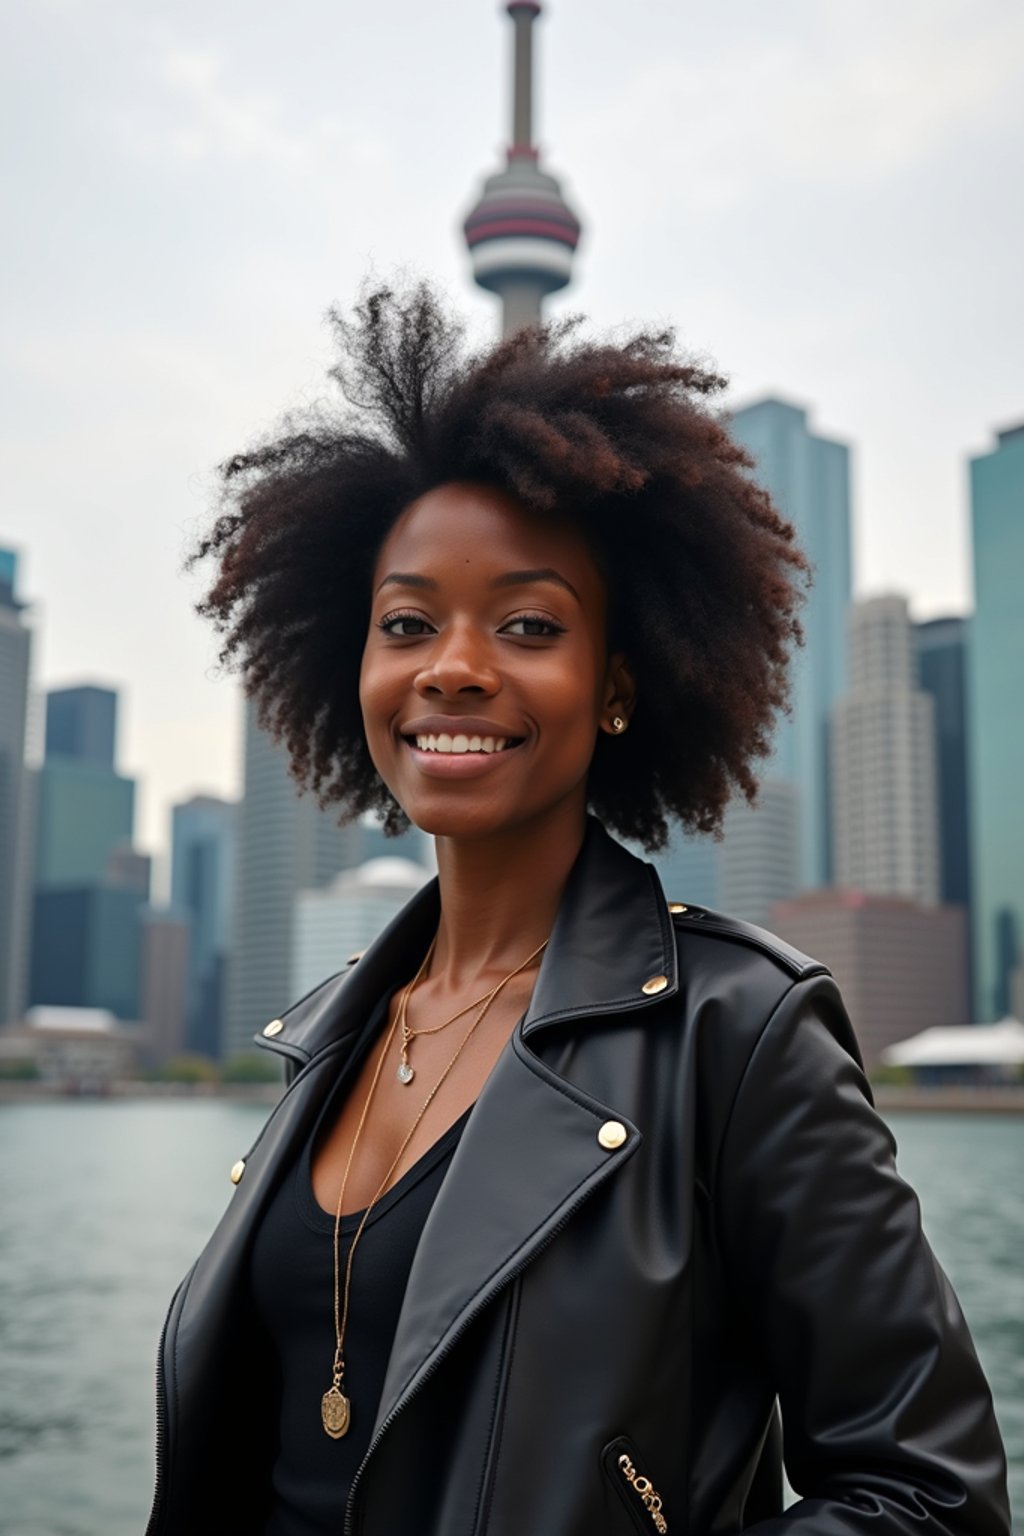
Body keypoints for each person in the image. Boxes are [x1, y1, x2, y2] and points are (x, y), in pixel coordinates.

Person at [147, 282, 1010, 1536]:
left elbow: (930, 1500)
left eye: (528, 623)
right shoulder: (326, 1036)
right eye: (407, 622)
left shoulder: (742, 1032)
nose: (453, 662)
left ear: (614, 687)